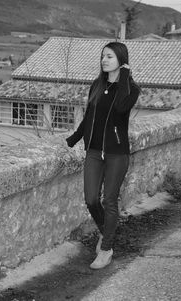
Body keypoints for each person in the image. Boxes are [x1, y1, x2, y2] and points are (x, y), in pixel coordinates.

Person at [66, 42, 140, 269]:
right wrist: (75, 138)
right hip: (94, 151)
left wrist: (125, 75)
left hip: (117, 152)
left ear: (121, 59)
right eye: (102, 56)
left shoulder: (131, 89)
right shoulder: (96, 85)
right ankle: (105, 233)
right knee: (90, 199)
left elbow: (119, 108)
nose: (104, 60)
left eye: (109, 56)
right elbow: (89, 116)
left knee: (109, 200)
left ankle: (106, 249)